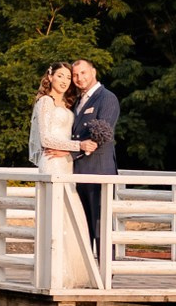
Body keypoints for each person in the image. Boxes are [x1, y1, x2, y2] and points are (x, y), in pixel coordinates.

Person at [26, 64, 96, 287]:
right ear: (50, 76)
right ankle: (54, 273)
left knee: (70, 214)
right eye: (60, 76)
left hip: (66, 164)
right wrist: (78, 145)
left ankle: (73, 273)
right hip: (52, 164)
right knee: (56, 215)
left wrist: (71, 149)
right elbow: (46, 139)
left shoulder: (67, 105)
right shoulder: (44, 102)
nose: (65, 81)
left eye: (68, 77)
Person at [69, 58, 121, 257]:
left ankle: (107, 271)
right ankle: (88, 270)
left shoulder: (106, 98)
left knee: (100, 223)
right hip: (77, 171)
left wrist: (69, 150)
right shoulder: (77, 100)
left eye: (83, 73)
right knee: (83, 225)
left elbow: (102, 133)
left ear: (93, 72)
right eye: (75, 75)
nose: (79, 78)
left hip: (99, 169)